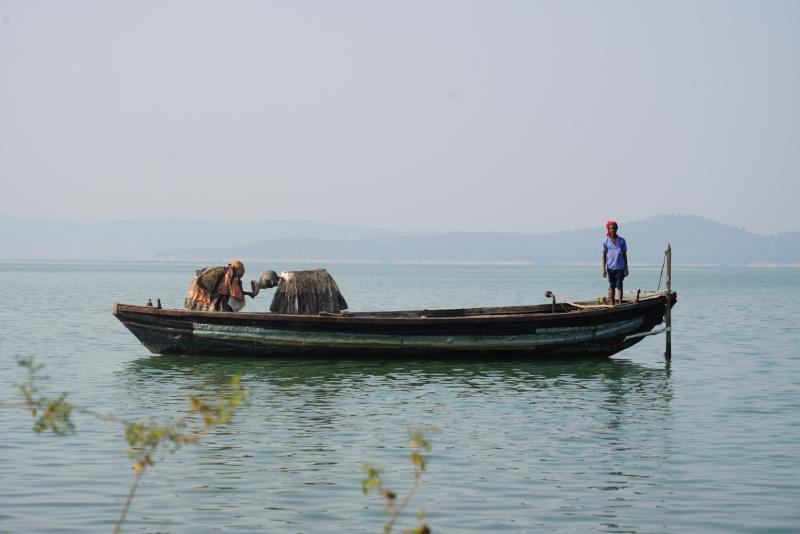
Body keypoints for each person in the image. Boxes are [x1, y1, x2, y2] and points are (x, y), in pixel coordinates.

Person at [185, 259, 257, 312]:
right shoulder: (230, 273)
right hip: (205, 289)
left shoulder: (226, 273)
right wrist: (248, 293)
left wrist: (248, 293)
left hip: (203, 289)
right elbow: (235, 292)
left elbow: (235, 291)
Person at [602, 220, 628, 305]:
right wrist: (603, 269)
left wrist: (626, 268)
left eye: (614, 228)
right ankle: (612, 304)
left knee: (619, 286)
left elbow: (624, 254)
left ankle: (620, 304)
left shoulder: (622, 240)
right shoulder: (605, 241)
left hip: (620, 267)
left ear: (617, 229)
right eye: (611, 228)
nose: (612, 230)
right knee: (612, 286)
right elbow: (604, 255)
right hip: (610, 268)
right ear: (608, 229)